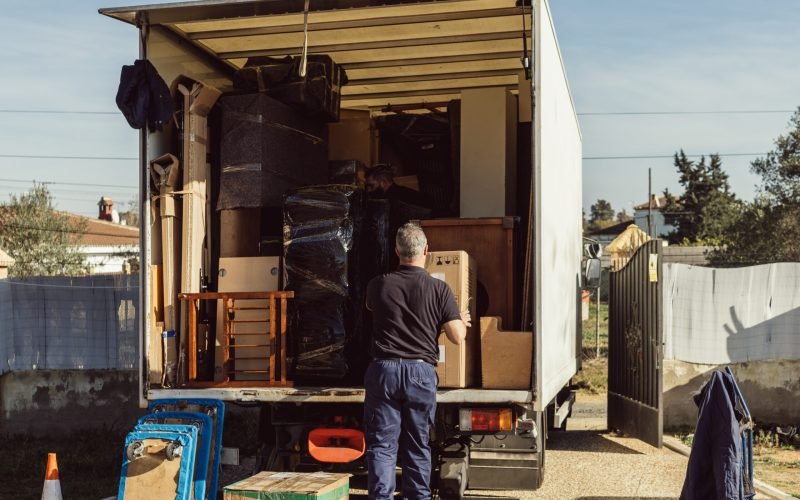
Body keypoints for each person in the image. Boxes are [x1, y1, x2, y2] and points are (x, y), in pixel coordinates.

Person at [364, 222, 471, 499]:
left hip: (384, 371)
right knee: (417, 444)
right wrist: (457, 319)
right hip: (420, 373)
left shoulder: (379, 284)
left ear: (397, 251)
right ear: (426, 250)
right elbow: (457, 337)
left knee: (382, 446)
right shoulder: (440, 289)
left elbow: (371, 309)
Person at [364, 164, 432, 211]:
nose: (368, 190)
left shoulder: (396, 201)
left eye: (371, 185)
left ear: (384, 182)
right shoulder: (400, 194)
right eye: (367, 186)